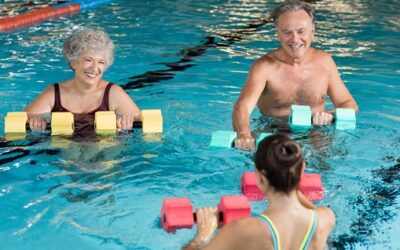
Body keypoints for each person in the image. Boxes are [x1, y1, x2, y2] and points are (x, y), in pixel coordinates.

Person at [232, 0, 358, 151]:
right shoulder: (264, 67)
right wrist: (244, 134)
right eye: (287, 33)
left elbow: (349, 104)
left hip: (316, 133)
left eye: (301, 31)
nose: (295, 39)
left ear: (313, 31)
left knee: (324, 168)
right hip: (275, 133)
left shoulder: (324, 62)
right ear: (278, 34)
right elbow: (243, 106)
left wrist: (328, 114)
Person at [183, 134, 335, 250]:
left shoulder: (244, 230)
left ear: (260, 178)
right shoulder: (325, 219)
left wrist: (203, 234)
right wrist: (292, 183)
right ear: (302, 170)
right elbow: (310, 208)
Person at [25, 28, 140, 134]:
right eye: (88, 60)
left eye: (101, 62)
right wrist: (37, 120)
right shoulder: (54, 94)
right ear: (73, 62)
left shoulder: (113, 93)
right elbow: (23, 118)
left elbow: (140, 119)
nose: (95, 68)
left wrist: (126, 120)